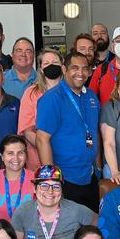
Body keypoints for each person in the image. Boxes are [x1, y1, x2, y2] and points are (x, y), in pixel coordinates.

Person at [36, 50, 101, 212]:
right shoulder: (52, 99)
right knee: (68, 231)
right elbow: (41, 139)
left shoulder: (92, 96)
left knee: (90, 228)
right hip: (65, 179)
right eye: (75, 68)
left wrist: (98, 168)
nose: (80, 73)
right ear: (64, 69)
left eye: (85, 68)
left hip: (89, 175)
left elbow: (94, 132)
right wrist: (52, 182)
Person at [10, 165, 97, 239]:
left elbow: (101, 225)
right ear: (34, 188)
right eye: (44, 186)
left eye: (56, 186)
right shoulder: (22, 213)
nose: (50, 191)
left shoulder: (76, 210)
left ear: (61, 190)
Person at [20, 48, 64, 174]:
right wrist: (48, 149)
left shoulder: (70, 92)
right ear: (40, 69)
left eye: (55, 62)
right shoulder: (31, 93)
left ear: (62, 66)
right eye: (46, 63)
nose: (51, 65)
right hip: (38, 161)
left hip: (68, 159)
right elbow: (27, 131)